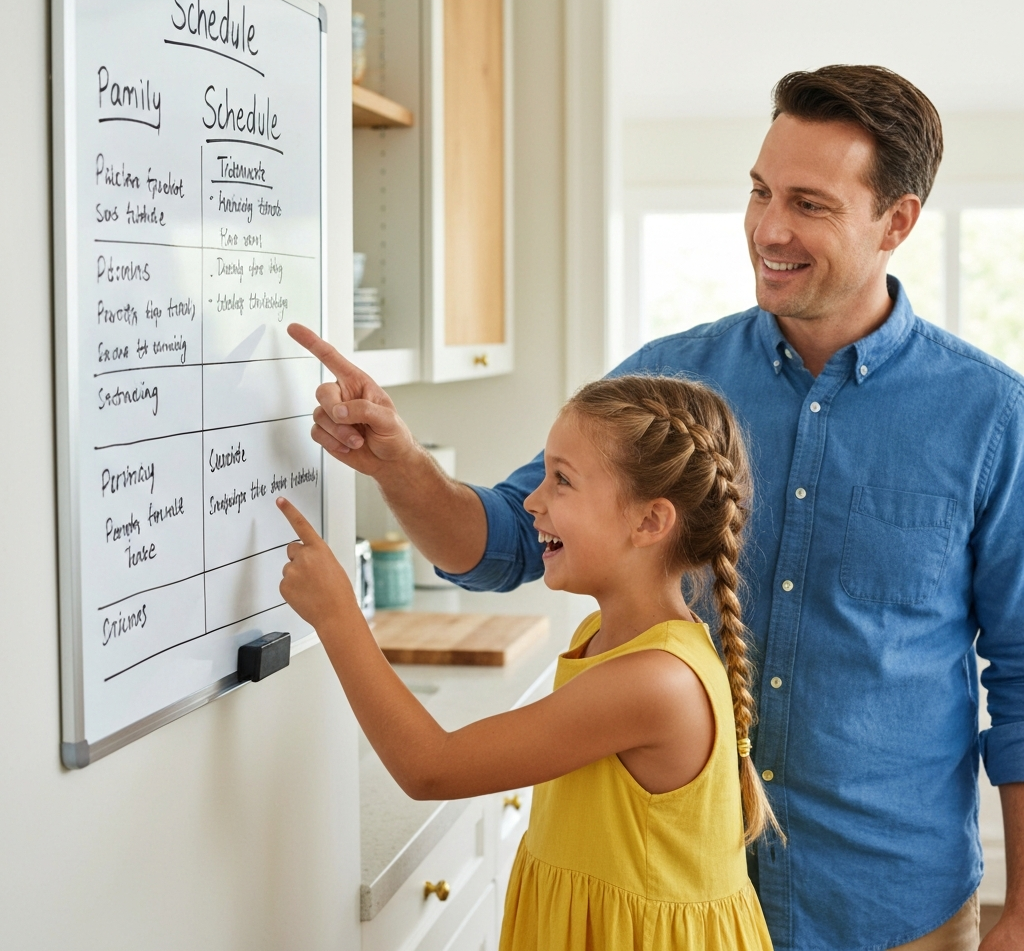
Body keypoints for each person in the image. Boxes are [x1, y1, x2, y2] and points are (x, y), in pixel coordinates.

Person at [292, 65, 1024, 951]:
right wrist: (399, 461)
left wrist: (1020, 913)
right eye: (759, 192)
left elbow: (1020, 678)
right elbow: (505, 542)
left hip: (890, 905)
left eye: (810, 204)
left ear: (897, 221)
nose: (769, 228)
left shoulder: (990, 417)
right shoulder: (671, 386)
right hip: (668, 899)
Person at [276, 374, 779, 949]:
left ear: (649, 522)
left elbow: (430, 767)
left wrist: (339, 616)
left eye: (561, 480)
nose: (533, 501)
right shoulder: (608, 638)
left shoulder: (655, 680)